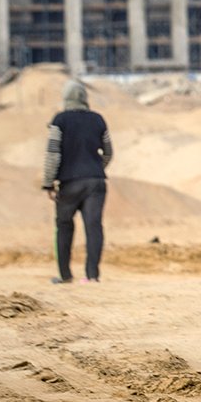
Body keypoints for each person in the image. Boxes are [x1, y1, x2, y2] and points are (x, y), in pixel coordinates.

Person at [42, 80, 113, 284]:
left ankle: (65, 276)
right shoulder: (98, 119)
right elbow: (108, 152)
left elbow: (52, 154)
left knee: (64, 226)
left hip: (69, 182)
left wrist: (48, 182)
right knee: (94, 226)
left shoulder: (60, 120)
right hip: (96, 182)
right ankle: (92, 276)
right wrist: (96, 168)